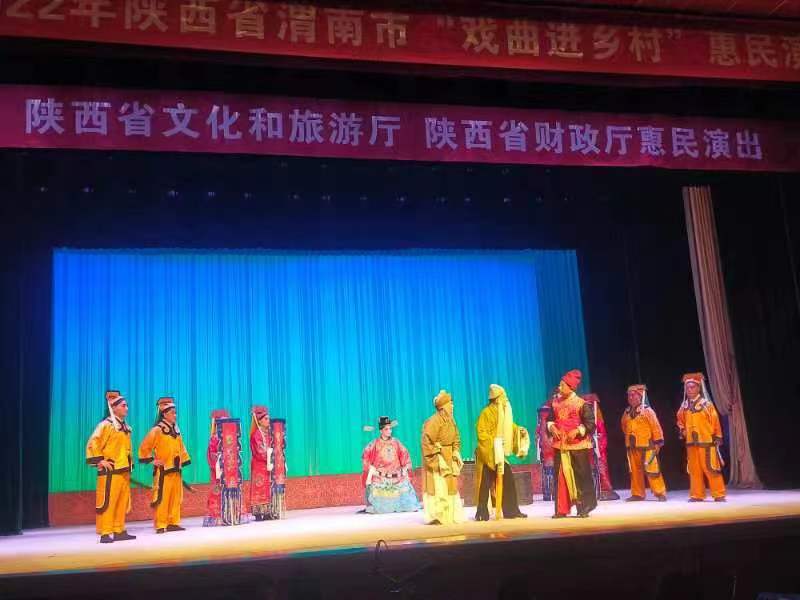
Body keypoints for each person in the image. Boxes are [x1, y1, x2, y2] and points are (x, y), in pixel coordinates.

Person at [85, 390, 135, 544]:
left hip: (123, 470)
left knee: (121, 501)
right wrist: (100, 460)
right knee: (108, 502)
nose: (126, 408)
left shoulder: (125, 427)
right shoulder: (105, 425)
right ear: (113, 408)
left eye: (126, 405)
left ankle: (119, 530)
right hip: (111, 472)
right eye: (123, 406)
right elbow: (93, 442)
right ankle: (106, 532)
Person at [474, 384, 530, 520]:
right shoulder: (486, 413)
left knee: (508, 480)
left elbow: (509, 428)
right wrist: (495, 443)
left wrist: (519, 431)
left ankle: (511, 511)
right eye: (504, 397)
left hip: (499, 454)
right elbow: (482, 434)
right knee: (484, 484)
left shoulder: (503, 413)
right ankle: (481, 513)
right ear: (497, 399)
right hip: (488, 454)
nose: (506, 400)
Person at [547, 370, 597, 518]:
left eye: (562, 385)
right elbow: (550, 420)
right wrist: (552, 427)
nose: (559, 387)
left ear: (570, 387)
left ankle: (584, 507)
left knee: (580, 477)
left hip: (577, 446)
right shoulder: (555, 403)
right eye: (559, 385)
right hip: (560, 445)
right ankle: (561, 509)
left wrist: (577, 431)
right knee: (561, 478)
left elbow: (591, 424)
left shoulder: (581, 404)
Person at [138, 396, 191, 533]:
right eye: (173, 413)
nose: (175, 415)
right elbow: (144, 447)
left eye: (175, 413)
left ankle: (173, 522)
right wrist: (152, 460)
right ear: (164, 414)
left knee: (175, 497)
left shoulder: (176, 430)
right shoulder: (157, 430)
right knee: (162, 497)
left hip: (176, 469)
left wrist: (183, 460)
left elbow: (181, 447)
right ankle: (161, 524)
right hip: (163, 470)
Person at [677, 372, 726, 502]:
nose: (689, 390)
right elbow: (680, 420)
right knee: (694, 470)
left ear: (698, 388)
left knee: (711, 468)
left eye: (692, 387)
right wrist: (682, 430)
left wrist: (718, 436)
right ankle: (697, 495)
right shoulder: (684, 406)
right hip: (691, 443)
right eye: (687, 388)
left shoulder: (706, 405)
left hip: (706, 442)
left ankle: (719, 494)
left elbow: (715, 421)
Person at [421, 390, 465, 525]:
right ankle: (437, 515)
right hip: (438, 459)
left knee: (450, 487)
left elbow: (456, 438)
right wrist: (436, 456)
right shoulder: (433, 421)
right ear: (443, 407)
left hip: (449, 457)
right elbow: (426, 441)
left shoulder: (451, 421)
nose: (452, 406)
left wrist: (455, 451)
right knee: (439, 486)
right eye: (450, 403)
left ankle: (450, 515)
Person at [361, 416, 419, 514]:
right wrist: (371, 469)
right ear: (381, 431)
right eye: (386, 429)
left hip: (397, 478)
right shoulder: (374, 444)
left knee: (409, 505)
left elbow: (405, 454)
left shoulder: (396, 442)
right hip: (381, 479)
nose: (389, 431)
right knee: (380, 508)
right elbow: (365, 457)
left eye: (390, 429)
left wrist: (405, 467)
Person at [620, 384, 667, 502]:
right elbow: (624, 426)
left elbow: (655, 426)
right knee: (635, 471)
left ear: (640, 396)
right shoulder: (626, 412)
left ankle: (660, 492)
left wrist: (658, 442)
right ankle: (637, 493)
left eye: (633, 395)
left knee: (652, 470)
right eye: (629, 395)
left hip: (647, 446)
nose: (631, 397)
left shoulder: (647, 411)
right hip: (632, 446)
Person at [583, 393, 620, 501]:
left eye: (590, 406)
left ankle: (606, 490)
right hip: (585, 450)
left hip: (597, 450)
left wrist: (597, 446)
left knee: (601, 470)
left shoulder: (598, 421)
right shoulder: (582, 421)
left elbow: (602, 436)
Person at [204, 409, 230, 526]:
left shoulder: (230, 437)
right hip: (218, 471)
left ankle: (231, 514)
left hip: (229, 470)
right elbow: (212, 456)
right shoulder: (214, 438)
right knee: (217, 492)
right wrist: (222, 461)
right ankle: (217, 516)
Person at [249, 405, 273, 521]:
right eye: (266, 419)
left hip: (267, 464)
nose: (268, 421)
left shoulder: (268, 433)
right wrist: (270, 455)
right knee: (259, 487)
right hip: (259, 465)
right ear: (259, 421)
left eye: (268, 418)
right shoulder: (256, 435)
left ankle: (267, 512)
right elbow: (259, 451)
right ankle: (258, 513)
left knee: (268, 487)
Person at [535, 401, 555, 502]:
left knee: (547, 472)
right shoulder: (551, 424)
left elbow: (537, 439)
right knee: (551, 472)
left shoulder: (541, 425)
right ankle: (553, 494)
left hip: (547, 452)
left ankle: (548, 494)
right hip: (550, 451)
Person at [270, 418, 288, 519]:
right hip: (271, 464)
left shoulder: (281, 439)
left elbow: (283, 448)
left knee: (280, 486)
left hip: (279, 462)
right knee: (273, 486)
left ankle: (278, 509)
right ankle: (274, 509)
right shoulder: (267, 436)